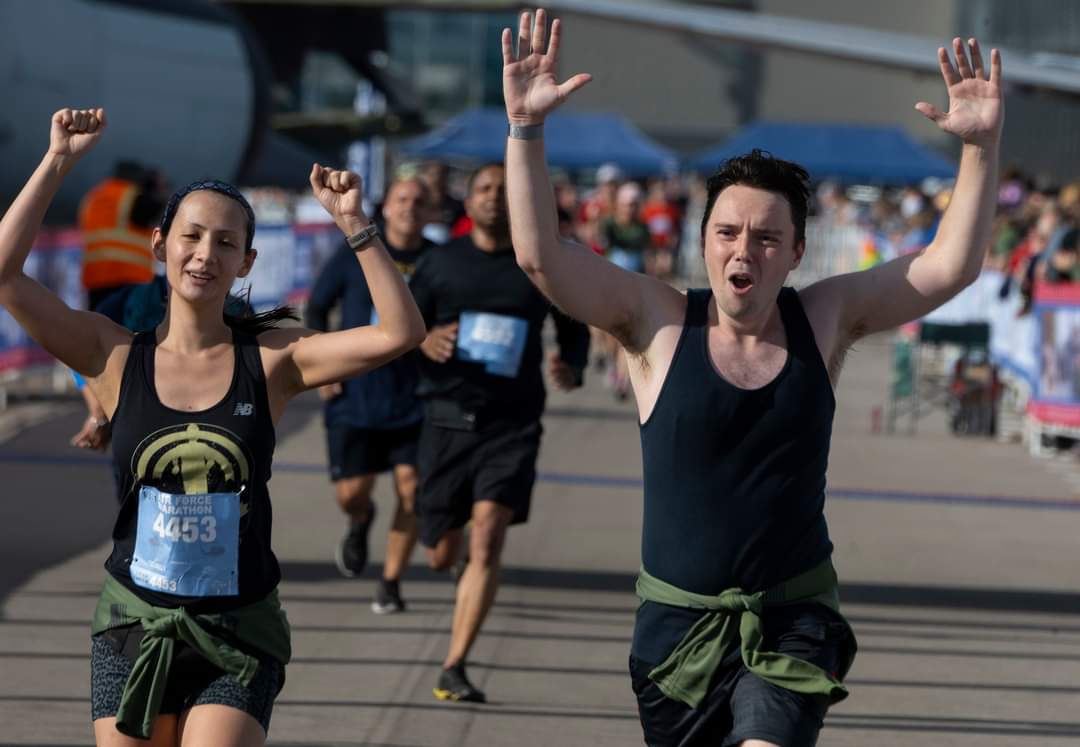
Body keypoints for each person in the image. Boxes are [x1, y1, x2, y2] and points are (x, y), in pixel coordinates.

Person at [502, 10, 1002, 745]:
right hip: (675, 632)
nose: (746, 251)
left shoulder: (824, 317)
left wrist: (982, 149)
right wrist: (525, 130)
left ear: (797, 251)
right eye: (728, 232)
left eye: (768, 237)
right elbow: (542, 257)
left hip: (793, 623)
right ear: (702, 242)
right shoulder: (656, 321)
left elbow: (946, 266)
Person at [0, 108, 425, 745]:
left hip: (238, 627)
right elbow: (5, 276)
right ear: (160, 245)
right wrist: (57, 160)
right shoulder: (112, 355)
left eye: (226, 243)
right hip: (133, 620)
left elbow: (400, 333)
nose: (205, 255)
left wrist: (355, 224)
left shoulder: (275, 360)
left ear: (246, 262)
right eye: (192, 237)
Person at [408, 162, 590, 702]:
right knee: (442, 552)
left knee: (488, 535)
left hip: (512, 422)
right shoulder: (439, 263)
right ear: (467, 203)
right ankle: (452, 550)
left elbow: (573, 323)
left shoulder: (536, 265)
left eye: (502, 191)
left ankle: (455, 664)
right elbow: (402, 325)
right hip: (447, 418)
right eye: (484, 189)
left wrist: (572, 365)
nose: (493, 198)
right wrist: (424, 340)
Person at [305, 176, 434, 614]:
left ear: (430, 211)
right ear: (387, 206)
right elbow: (318, 306)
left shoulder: (437, 261)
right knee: (351, 493)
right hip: (356, 395)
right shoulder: (354, 254)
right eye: (402, 198)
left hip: (415, 398)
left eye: (420, 201)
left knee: (412, 490)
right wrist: (323, 370)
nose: (410, 207)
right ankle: (360, 520)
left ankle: (391, 581)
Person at [80, 160, 168, 311]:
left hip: (95, 278)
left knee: (95, 327)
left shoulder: (94, 196)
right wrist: (160, 189)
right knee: (123, 330)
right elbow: (157, 211)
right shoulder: (131, 195)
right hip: (128, 276)